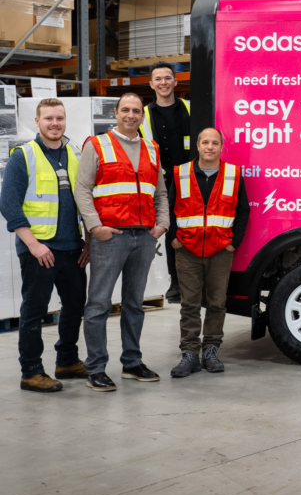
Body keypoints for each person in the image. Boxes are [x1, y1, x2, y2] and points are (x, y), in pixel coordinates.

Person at [74, 92, 169, 392]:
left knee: (134, 304)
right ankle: (96, 367)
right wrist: (95, 227)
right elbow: (82, 189)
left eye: (136, 111)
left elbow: (161, 193)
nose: (131, 115)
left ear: (142, 115)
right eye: (125, 110)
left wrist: (162, 224)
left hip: (143, 237)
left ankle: (132, 362)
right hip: (110, 236)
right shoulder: (97, 144)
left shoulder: (152, 148)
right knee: (99, 304)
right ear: (115, 113)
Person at [0, 99, 89, 392]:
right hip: (39, 249)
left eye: (59, 118)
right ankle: (31, 371)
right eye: (48, 118)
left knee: (75, 306)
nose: (55, 123)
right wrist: (34, 245)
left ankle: (66, 359)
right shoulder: (23, 155)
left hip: (72, 247)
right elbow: (9, 204)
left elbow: (86, 200)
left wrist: (87, 239)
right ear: (37, 122)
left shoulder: (75, 153)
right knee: (34, 311)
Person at [168, 128, 250, 378]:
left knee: (217, 303)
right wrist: (173, 237)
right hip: (187, 250)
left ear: (221, 146)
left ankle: (211, 350)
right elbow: (169, 207)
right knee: (189, 305)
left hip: (220, 251)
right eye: (206, 142)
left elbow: (243, 210)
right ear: (198, 145)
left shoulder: (233, 174)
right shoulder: (180, 172)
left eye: (215, 143)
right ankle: (190, 354)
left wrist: (233, 242)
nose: (210, 147)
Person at [140, 62, 191, 304]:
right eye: (158, 78)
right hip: (161, 182)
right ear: (151, 84)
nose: (163, 82)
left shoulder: (190, 108)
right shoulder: (143, 115)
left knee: (193, 227)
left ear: (175, 81)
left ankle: (194, 281)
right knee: (170, 230)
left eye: (167, 78)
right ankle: (176, 283)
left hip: (191, 178)